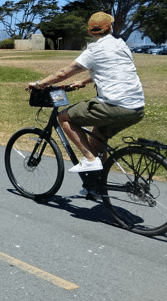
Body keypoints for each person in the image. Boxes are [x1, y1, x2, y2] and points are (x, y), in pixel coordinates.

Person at [28, 12, 145, 193]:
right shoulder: (121, 45)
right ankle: (98, 186)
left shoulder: (94, 50)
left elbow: (65, 72)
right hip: (136, 109)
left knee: (64, 117)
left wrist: (39, 84)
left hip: (114, 106)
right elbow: (109, 71)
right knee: (97, 136)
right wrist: (83, 82)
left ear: (91, 32)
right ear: (110, 28)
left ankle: (90, 159)